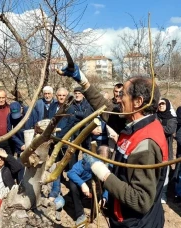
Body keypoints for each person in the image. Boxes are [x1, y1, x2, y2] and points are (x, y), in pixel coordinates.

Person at [61, 65, 168, 227]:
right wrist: (84, 83)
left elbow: (141, 200)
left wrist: (104, 174)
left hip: (136, 223)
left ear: (138, 102)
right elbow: (109, 111)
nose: (118, 99)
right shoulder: (138, 122)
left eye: (122, 95)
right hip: (124, 216)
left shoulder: (146, 143)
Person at [7, 101, 38, 181]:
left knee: (33, 164)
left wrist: (32, 143)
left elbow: (37, 127)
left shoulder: (31, 112)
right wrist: (20, 144)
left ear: (21, 109)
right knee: (20, 165)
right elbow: (10, 132)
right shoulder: (9, 116)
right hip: (20, 145)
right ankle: (21, 183)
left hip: (32, 142)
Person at [156, 98, 177, 204]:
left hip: (166, 149)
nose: (161, 105)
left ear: (167, 105)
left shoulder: (172, 118)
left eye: (163, 104)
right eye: (159, 104)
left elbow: (169, 130)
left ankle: (163, 193)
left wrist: (156, 126)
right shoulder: (154, 116)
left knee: (165, 173)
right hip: (155, 148)